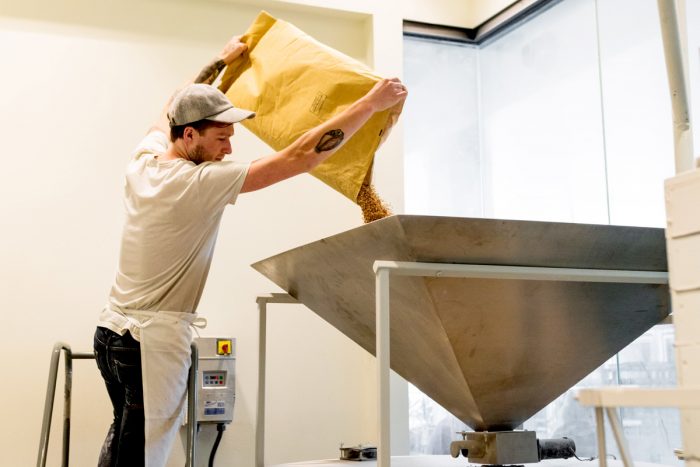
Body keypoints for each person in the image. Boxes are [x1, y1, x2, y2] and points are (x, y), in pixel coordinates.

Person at [92, 35, 407, 467]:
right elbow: (300, 157)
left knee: (125, 440)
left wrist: (219, 63)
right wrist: (370, 104)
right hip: (149, 342)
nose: (229, 149)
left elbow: (169, 104)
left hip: (112, 335)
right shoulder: (196, 183)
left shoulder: (144, 160)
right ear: (188, 136)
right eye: (221, 138)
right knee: (142, 455)